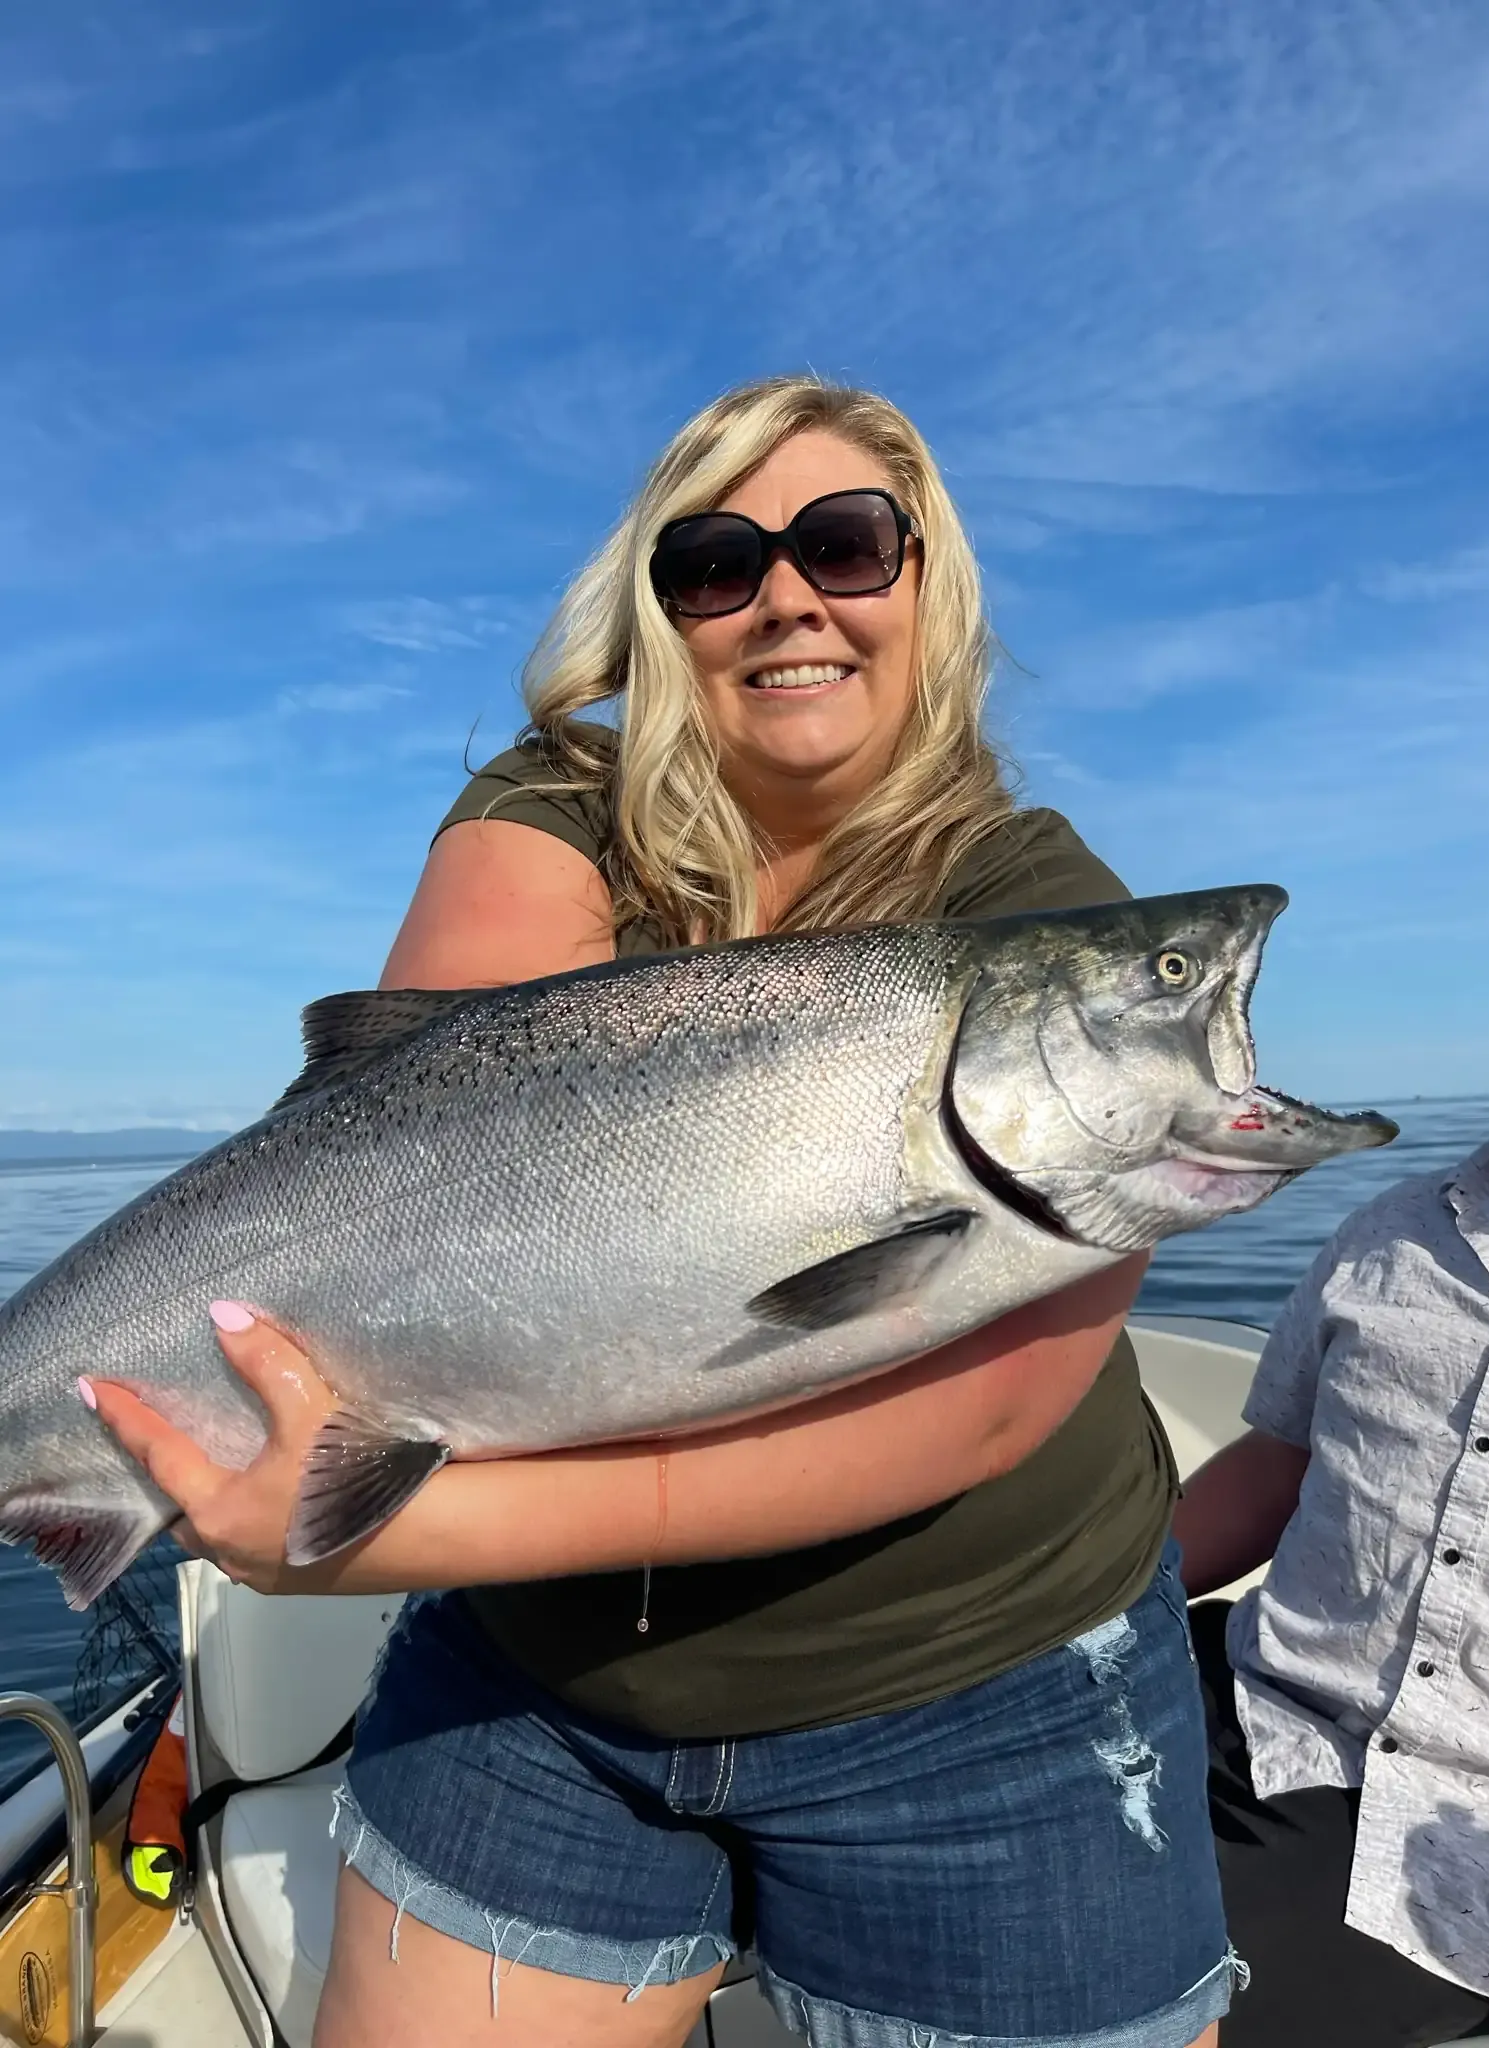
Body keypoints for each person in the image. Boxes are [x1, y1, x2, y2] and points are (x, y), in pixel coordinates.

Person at [89, 377, 1236, 2048]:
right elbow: (432, 1126)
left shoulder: (1031, 903)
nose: (788, 597)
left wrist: (378, 1540)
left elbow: (983, 1408)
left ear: (928, 584)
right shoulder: (559, 800)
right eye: (716, 562)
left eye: (847, 545)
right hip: (552, 1685)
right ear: (660, 611)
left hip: (981, 1684)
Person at [1175, 971, 1489, 2047]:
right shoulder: (1393, 1231)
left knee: (1105, 1988)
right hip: (1250, 1694)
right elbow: (1278, 1465)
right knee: (903, 1768)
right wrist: (1077, 1603)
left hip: (1469, 1832)